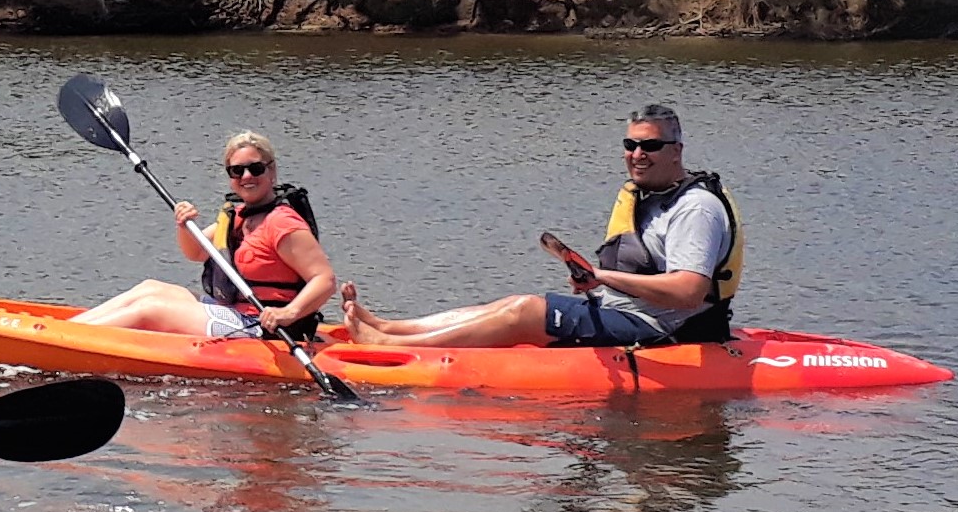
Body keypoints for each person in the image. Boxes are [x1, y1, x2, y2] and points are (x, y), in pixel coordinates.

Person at [336, 102, 743, 351]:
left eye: (650, 146)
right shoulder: (649, 195)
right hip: (624, 309)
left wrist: (602, 276)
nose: (637, 154)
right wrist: (597, 282)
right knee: (505, 304)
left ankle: (388, 345)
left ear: (677, 151)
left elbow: (688, 292)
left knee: (524, 310)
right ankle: (391, 327)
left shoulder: (696, 209)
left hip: (663, 326)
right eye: (630, 145)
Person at [75, 128, 338, 341]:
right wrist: (184, 225)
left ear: (271, 171)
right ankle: (68, 329)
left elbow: (324, 280)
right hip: (233, 311)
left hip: (262, 326)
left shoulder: (282, 223)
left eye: (255, 169)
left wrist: (288, 313)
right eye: (237, 171)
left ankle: (69, 340)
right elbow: (196, 252)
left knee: (150, 310)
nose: (246, 176)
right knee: (150, 289)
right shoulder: (237, 215)